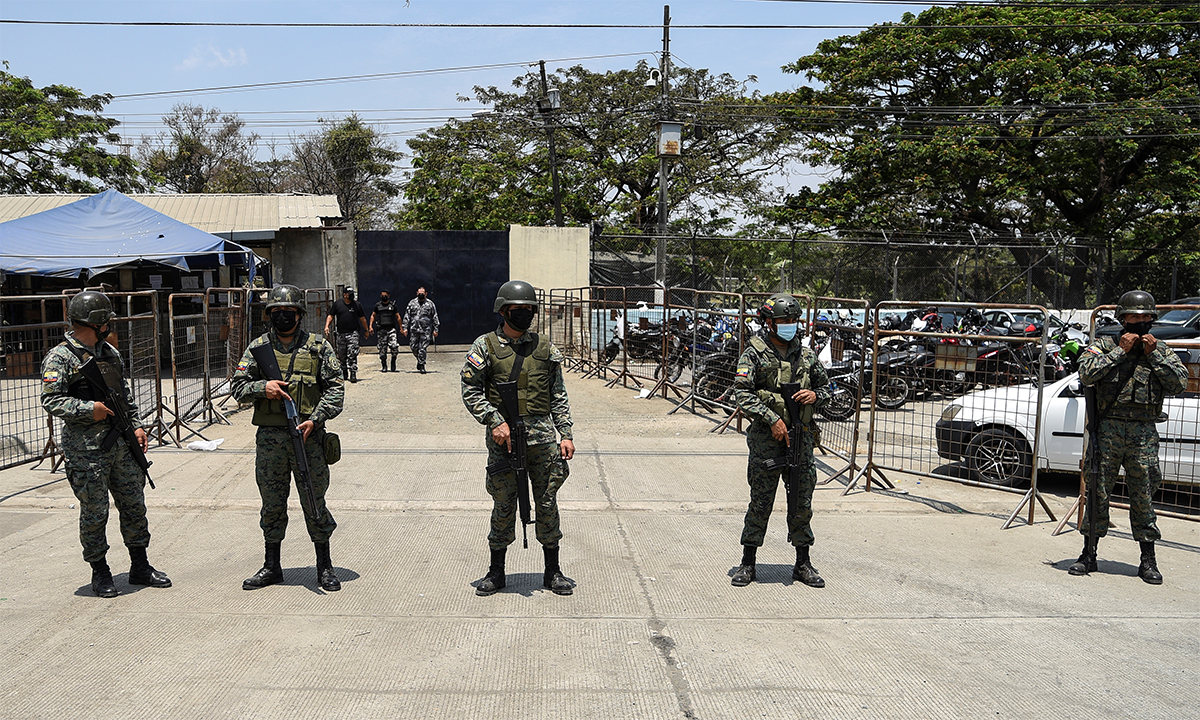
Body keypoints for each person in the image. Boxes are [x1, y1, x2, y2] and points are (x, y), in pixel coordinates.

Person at [41, 291, 171, 598]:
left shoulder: (110, 353)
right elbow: (51, 399)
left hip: (121, 444)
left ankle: (140, 565)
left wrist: (137, 427)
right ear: (97, 322)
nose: (110, 325)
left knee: (133, 504)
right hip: (87, 452)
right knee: (95, 512)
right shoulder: (60, 357)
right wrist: (90, 410)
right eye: (107, 320)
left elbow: (124, 397)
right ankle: (100, 572)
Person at [461, 280, 575, 596]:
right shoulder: (484, 347)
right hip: (504, 442)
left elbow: (558, 394)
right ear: (504, 310)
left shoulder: (544, 348)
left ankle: (553, 571)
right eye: (518, 310)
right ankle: (496, 571)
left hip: (542, 442)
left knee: (547, 502)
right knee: (504, 504)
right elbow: (470, 390)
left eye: (529, 310)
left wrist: (565, 433)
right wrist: (495, 420)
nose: (524, 314)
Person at [233, 285, 346, 592]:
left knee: (314, 501)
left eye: (289, 312)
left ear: (299, 315)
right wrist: (262, 388)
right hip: (270, 442)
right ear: (270, 315)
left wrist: (316, 418)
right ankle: (272, 566)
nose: (282, 317)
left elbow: (336, 389)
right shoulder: (258, 347)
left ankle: (324, 566)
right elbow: (237, 387)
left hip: (307, 438)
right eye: (276, 313)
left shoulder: (318, 347)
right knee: (271, 504)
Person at [1073, 290, 1187, 584]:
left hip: (1143, 433)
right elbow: (1085, 373)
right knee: (1097, 492)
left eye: (1145, 317)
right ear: (1122, 319)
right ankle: (1089, 554)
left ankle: (1147, 559)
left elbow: (1179, 383)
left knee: (1144, 496)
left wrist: (1154, 355)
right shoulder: (1104, 345)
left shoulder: (1160, 349)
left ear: (1152, 319)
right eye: (1134, 316)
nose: (1140, 321)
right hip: (1107, 430)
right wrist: (1119, 352)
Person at [729, 293, 831, 588]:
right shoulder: (754, 354)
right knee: (761, 501)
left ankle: (803, 563)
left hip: (801, 439)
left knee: (802, 501)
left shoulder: (808, 355)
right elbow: (742, 393)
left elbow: (827, 391)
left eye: (793, 321)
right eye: (784, 321)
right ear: (769, 323)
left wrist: (815, 396)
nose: (790, 325)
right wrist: (771, 418)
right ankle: (748, 563)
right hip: (766, 440)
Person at [324, 286, 367, 383]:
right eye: (349, 294)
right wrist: (327, 326)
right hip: (341, 333)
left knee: (352, 353)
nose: (351, 295)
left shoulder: (357, 305)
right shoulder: (338, 304)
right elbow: (331, 315)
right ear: (344, 295)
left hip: (353, 333)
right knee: (341, 354)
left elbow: (362, 318)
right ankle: (344, 371)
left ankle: (353, 372)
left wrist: (367, 330)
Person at [401, 286, 440, 373]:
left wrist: (436, 329)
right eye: (419, 293)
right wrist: (405, 328)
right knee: (413, 347)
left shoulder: (430, 304)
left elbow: (435, 317)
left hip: (426, 330)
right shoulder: (412, 303)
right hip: (414, 329)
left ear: (426, 294)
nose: (421, 295)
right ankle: (419, 359)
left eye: (423, 293)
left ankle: (422, 365)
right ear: (417, 293)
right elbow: (407, 316)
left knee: (422, 348)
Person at [369, 289, 400, 372]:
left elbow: (398, 317)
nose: (384, 297)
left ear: (389, 296)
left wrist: (401, 328)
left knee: (394, 347)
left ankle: (393, 362)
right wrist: (370, 326)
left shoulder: (393, 305)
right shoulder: (378, 305)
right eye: (382, 295)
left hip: (391, 329)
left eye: (385, 295)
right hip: (381, 330)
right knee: (382, 350)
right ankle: (384, 365)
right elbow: (373, 315)